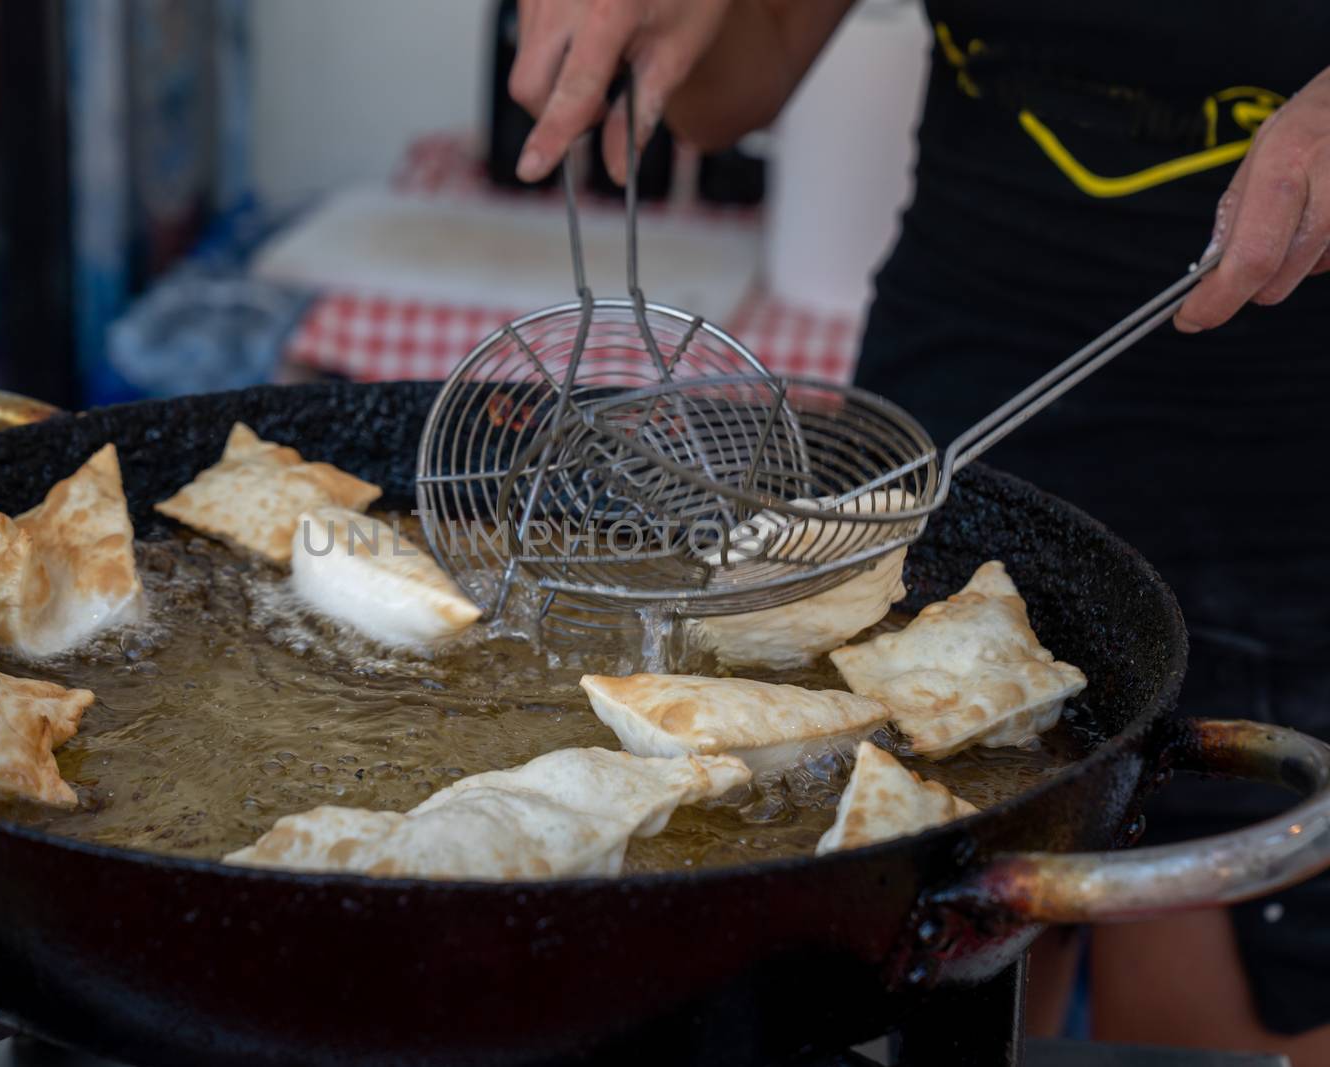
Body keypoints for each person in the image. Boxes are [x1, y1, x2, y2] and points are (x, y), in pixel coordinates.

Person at [509, 1, 1330, 1058]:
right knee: (922, 955)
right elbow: (727, 95)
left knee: (1203, 1030)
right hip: (955, 381)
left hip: (1289, 442)